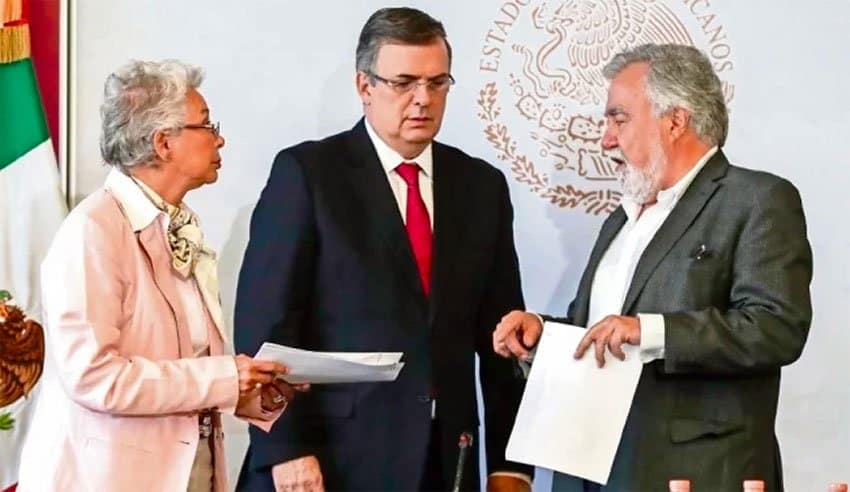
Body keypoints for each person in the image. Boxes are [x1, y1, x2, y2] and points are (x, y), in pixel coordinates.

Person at [234, 7, 532, 492]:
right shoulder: (308, 175)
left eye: (438, 83)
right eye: (404, 82)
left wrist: (509, 465)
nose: (422, 99)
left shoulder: (481, 186)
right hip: (328, 461)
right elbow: (264, 326)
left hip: (444, 461)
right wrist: (284, 448)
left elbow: (503, 338)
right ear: (364, 86)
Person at [493, 44, 812, 491]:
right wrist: (543, 336)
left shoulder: (757, 200)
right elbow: (602, 332)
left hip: (694, 474)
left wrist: (650, 331)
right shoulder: (620, 219)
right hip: (586, 468)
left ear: (675, 120)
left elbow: (777, 327)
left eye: (618, 118)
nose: (605, 138)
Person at [17, 60, 303, 492]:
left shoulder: (178, 224)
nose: (219, 138)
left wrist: (252, 389)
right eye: (206, 125)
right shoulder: (93, 231)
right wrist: (225, 378)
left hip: (188, 471)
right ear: (163, 143)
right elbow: (94, 377)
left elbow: (183, 367)